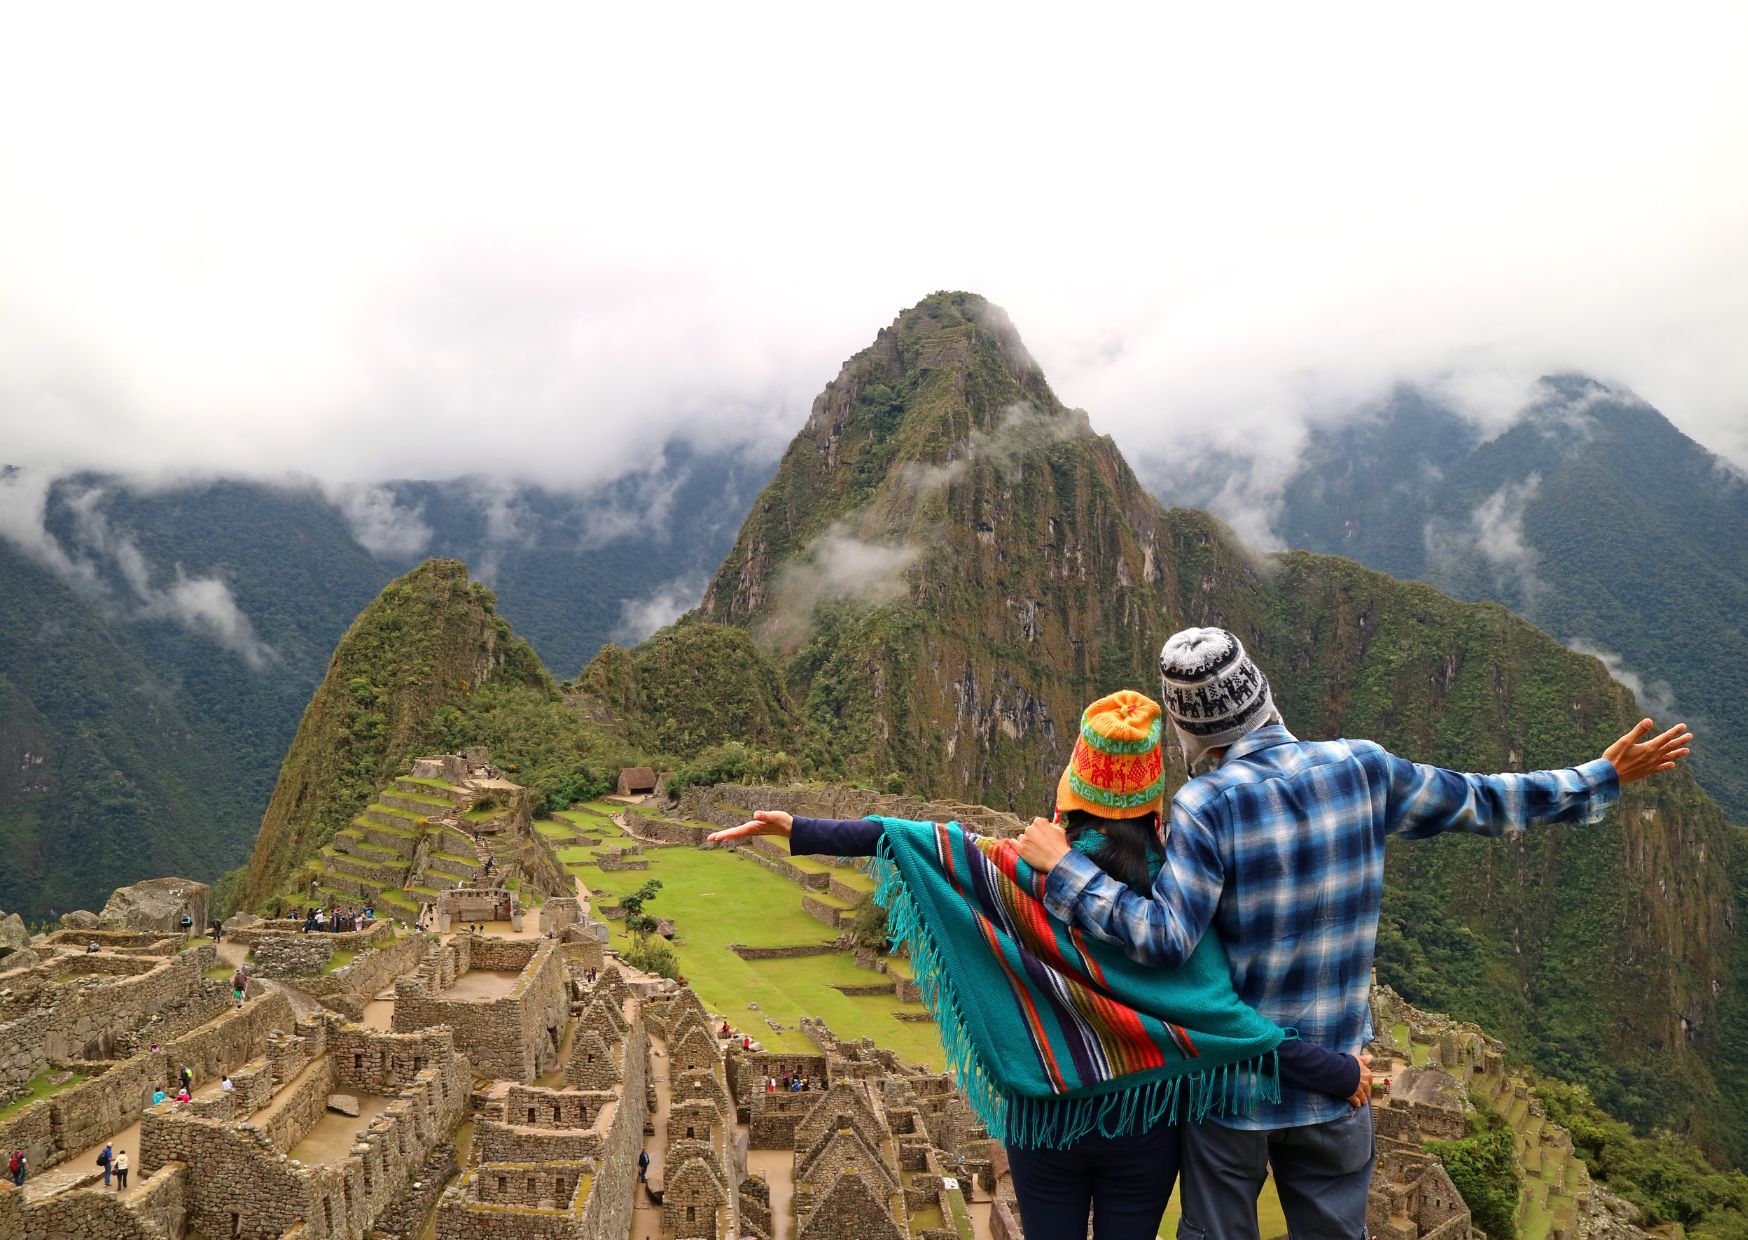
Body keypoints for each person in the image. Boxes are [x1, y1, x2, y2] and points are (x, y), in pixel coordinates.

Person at [1015, 628, 1693, 1240]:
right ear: (1266, 700)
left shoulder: (1206, 804)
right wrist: (1600, 776)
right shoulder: (1362, 769)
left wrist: (1068, 870)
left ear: (1191, 737)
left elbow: (1164, 939)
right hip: (1337, 1084)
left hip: (1232, 1095)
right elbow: (1484, 801)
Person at [710, 690, 1367, 1240]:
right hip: (1142, 1122)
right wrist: (1338, 1071)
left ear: (1072, 790)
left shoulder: (1013, 870)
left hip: (1042, 1118)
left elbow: (905, 838)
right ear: (1152, 800)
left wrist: (796, 827)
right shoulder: (1175, 899)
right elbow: (1225, 1024)